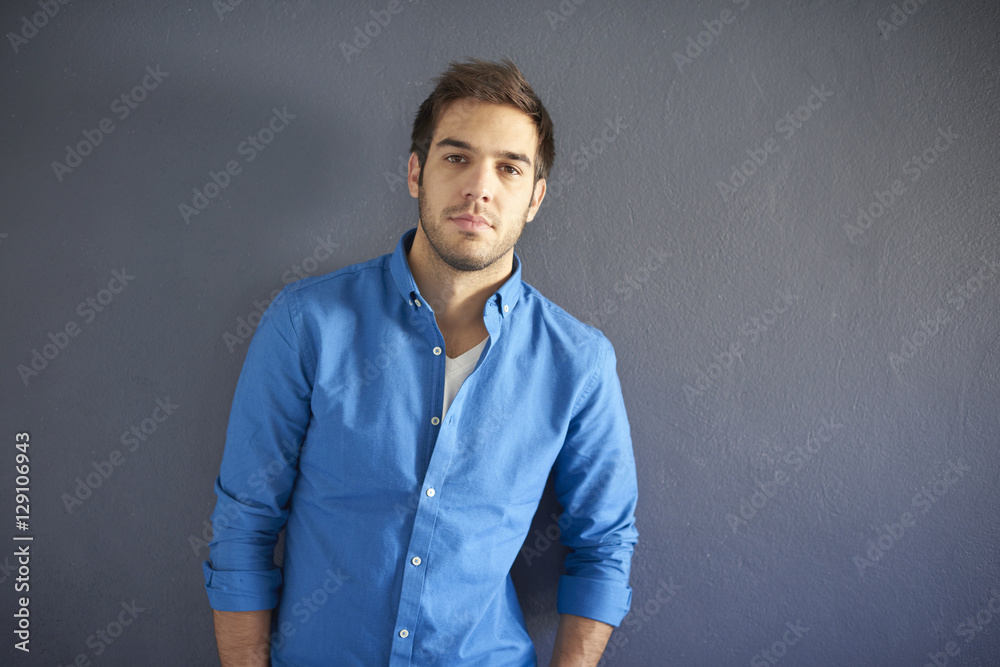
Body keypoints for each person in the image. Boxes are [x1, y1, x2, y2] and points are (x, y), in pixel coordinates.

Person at [203, 58, 639, 667]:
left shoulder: (579, 363)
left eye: (508, 168)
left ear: (535, 197)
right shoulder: (307, 324)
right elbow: (244, 527)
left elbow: (604, 547)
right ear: (416, 172)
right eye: (456, 157)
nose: (479, 188)